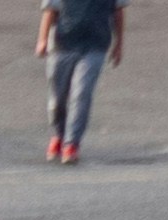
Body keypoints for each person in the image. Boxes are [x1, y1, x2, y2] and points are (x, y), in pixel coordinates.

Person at [44, 0, 120, 158]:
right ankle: (59, 134)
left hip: (95, 46)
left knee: (81, 93)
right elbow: (50, 9)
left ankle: (72, 143)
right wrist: (42, 39)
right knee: (58, 99)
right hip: (63, 45)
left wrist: (119, 44)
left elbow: (118, 10)